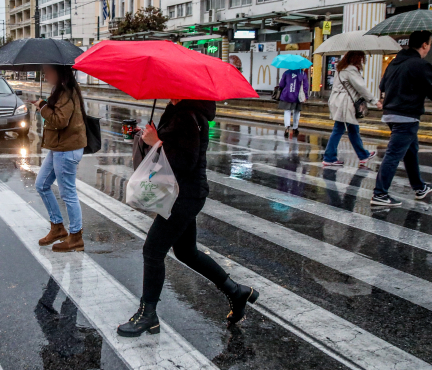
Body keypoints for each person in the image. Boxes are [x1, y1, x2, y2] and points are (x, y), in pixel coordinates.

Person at [117, 100, 258, 337]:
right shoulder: (178, 110)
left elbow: (185, 163)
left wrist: (156, 142)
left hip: (185, 196)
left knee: (153, 251)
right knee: (186, 251)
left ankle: (148, 315)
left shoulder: (188, 116)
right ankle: (236, 292)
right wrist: (150, 137)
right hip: (183, 193)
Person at [371, 31, 432, 207]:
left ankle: (419, 187)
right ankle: (380, 194)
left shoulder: (394, 63)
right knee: (393, 154)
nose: (429, 48)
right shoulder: (420, 65)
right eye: (429, 44)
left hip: (391, 113)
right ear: (424, 45)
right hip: (406, 116)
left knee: (411, 150)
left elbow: (382, 86)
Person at [33, 64, 87, 252]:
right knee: (41, 184)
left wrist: (42, 107)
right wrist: (45, 105)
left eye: (48, 71)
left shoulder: (66, 92)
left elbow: (60, 121)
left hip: (67, 149)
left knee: (68, 193)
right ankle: (57, 227)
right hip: (59, 147)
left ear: (59, 72)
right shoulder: (60, 91)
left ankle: (76, 236)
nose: (45, 75)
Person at [322, 51, 382, 167]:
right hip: (345, 103)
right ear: (356, 58)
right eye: (361, 58)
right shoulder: (350, 70)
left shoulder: (341, 68)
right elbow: (361, 88)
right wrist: (374, 101)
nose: (362, 61)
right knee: (339, 129)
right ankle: (329, 157)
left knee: (353, 129)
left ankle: (363, 155)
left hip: (339, 101)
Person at [277, 68, 309, 136]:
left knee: (287, 111)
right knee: (297, 111)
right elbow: (305, 86)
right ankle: (295, 127)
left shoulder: (286, 73)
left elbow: (281, 85)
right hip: (298, 96)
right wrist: (306, 96)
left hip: (287, 95)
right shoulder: (302, 73)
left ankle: (287, 127)